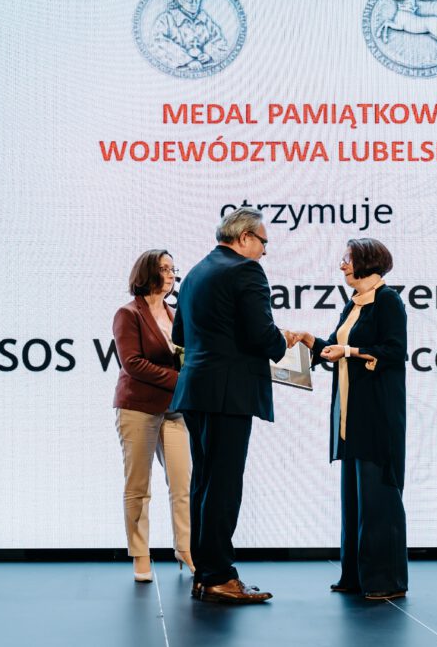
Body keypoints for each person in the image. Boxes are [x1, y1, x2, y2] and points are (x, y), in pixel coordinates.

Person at [170, 207, 295, 604]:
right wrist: (282, 340)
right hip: (229, 393)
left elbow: (180, 334)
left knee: (205, 484)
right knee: (223, 487)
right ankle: (220, 576)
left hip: (196, 390)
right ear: (244, 238)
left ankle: (205, 574)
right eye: (263, 242)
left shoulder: (195, 272)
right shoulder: (246, 271)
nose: (264, 251)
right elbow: (262, 336)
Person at [291, 238, 409, 600]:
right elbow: (335, 347)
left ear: (367, 262)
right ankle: (356, 576)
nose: (342, 265)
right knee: (355, 499)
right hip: (351, 414)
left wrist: (351, 351)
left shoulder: (388, 301)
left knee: (378, 498)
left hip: (377, 414)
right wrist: (310, 341)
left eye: (347, 259)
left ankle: (385, 580)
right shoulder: (353, 303)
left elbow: (394, 351)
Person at [112, 249, 195, 582]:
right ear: (147, 273)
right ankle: (140, 554)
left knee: (182, 484)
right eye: (164, 268)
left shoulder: (177, 314)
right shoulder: (128, 313)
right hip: (138, 408)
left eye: (173, 268)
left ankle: (185, 549)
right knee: (138, 486)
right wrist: (181, 380)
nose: (171, 274)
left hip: (174, 410)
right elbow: (132, 363)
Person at [152, 0, 228, 72]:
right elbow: (159, 42)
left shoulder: (205, 18)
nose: (194, 4)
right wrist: (186, 60)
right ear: (181, 1)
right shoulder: (166, 19)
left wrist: (209, 54)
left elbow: (219, 38)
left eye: (197, 1)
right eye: (190, 0)